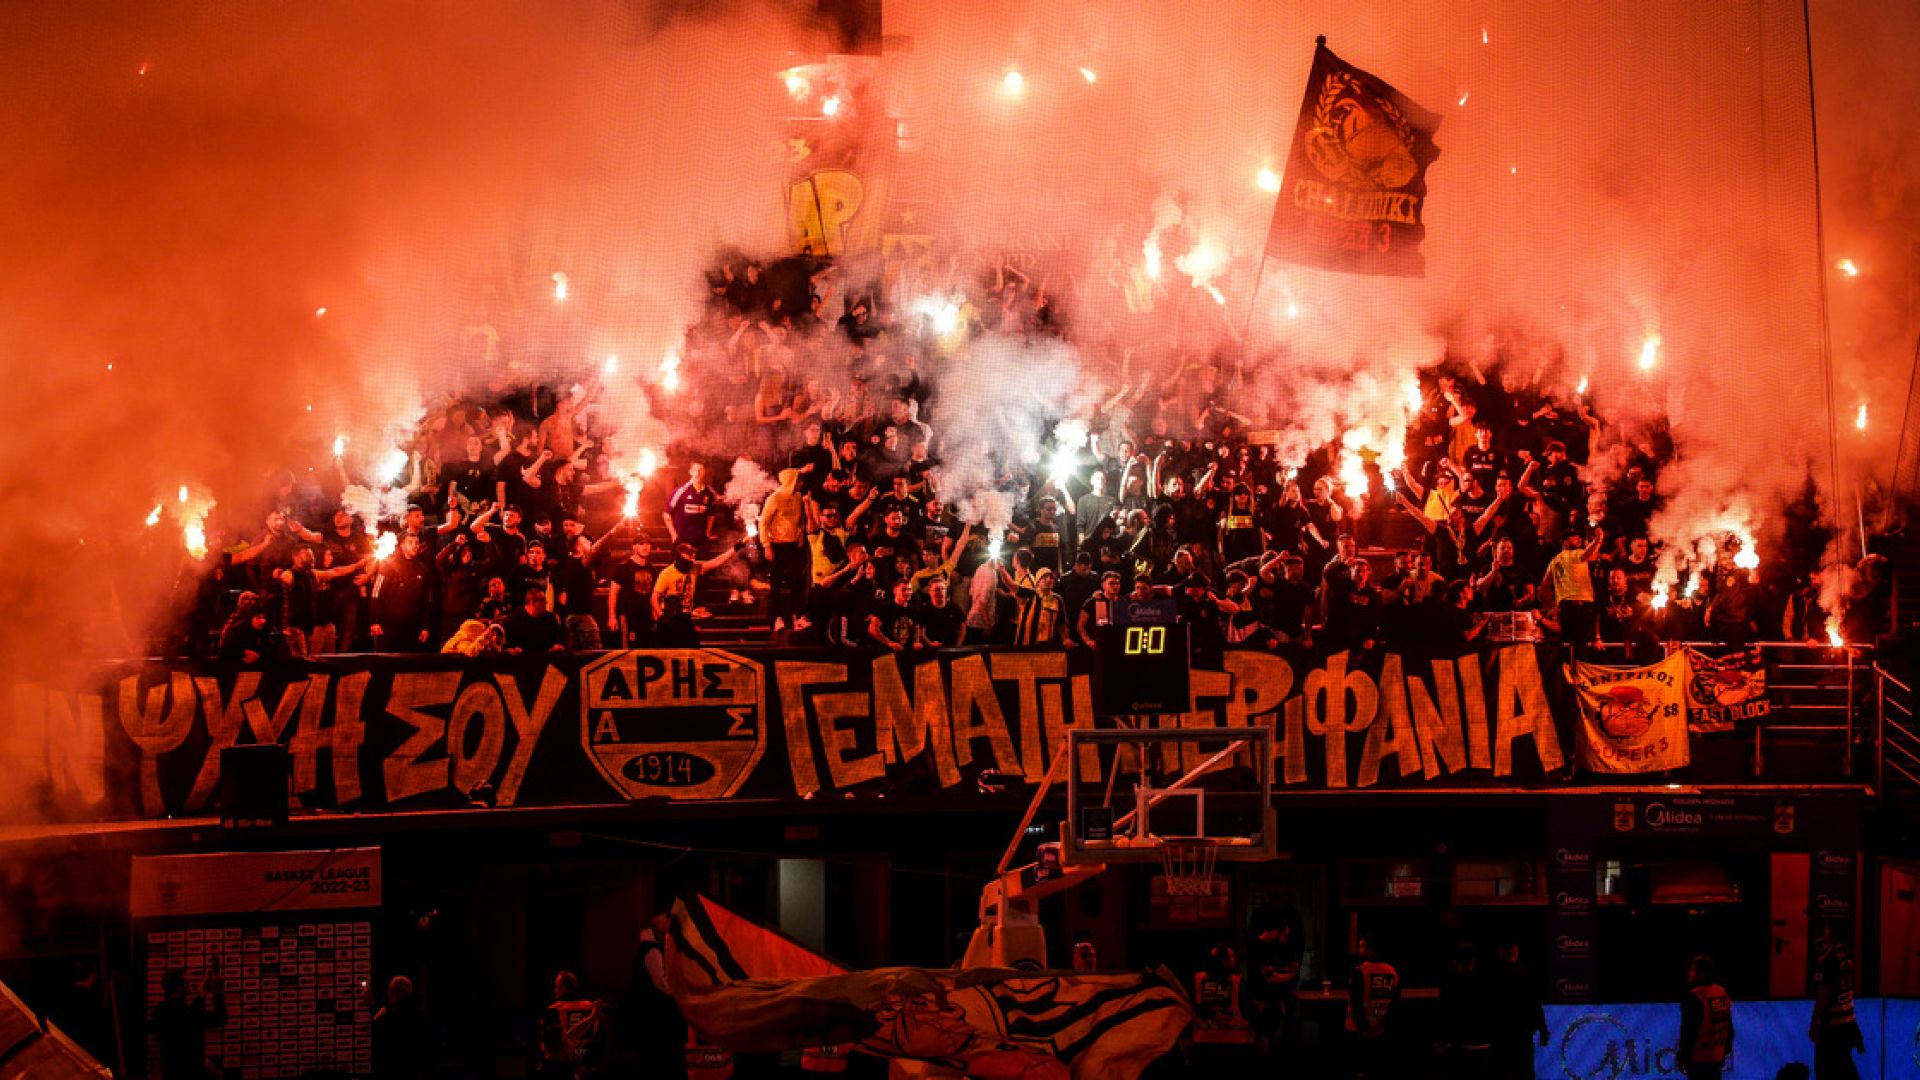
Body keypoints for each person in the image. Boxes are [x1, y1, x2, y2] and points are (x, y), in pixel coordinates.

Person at [630, 913, 689, 1080]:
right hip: (655, 1013)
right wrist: (679, 994)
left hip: (651, 1013)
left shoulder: (650, 948)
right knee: (662, 1056)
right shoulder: (652, 950)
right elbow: (661, 983)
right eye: (666, 928)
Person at [1486, 941, 1548, 1080]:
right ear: (1516, 952)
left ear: (1500, 953)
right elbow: (1535, 1005)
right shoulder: (1525, 976)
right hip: (1522, 1035)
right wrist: (1543, 1030)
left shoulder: (1491, 977)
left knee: (1499, 1072)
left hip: (1499, 1035)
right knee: (1524, 1072)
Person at [153, 963, 227, 1080]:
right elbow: (219, 1018)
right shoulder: (186, 1014)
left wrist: (203, 994)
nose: (189, 985)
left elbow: (187, 1014)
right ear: (179, 988)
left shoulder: (160, 1011)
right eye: (186, 983)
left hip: (170, 1072)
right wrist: (217, 993)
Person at [1245, 913, 1300, 1062]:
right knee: (1264, 1039)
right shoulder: (1258, 948)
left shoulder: (1267, 947)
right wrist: (1292, 974)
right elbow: (1270, 978)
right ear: (1276, 931)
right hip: (1261, 1000)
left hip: (1267, 1000)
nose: (1286, 939)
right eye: (1285, 935)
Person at [1809, 928, 1862, 1079]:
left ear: (1831, 933)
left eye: (1827, 929)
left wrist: (1814, 1022)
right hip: (1848, 1021)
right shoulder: (1846, 953)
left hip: (1831, 1024)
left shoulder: (1828, 959)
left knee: (1825, 1068)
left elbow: (1823, 994)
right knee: (1845, 1065)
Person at [1345, 937, 1400, 1080]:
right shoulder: (1392, 972)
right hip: (1381, 1028)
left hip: (1358, 1029)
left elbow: (1356, 1003)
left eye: (1364, 947)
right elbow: (1395, 1004)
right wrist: (1383, 1025)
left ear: (1371, 950)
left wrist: (1363, 1027)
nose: (1360, 950)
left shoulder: (1360, 971)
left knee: (1360, 1070)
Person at [538, 970, 603, 1080]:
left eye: (556, 987)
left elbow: (547, 1044)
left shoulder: (553, 1010)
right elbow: (600, 1040)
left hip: (560, 1069)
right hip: (587, 1068)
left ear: (564, 987)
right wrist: (585, 1064)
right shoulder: (592, 1008)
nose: (554, 990)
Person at [1678, 954, 1734, 1080]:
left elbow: (1689, 1030)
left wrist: (1683, 1055)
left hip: (1699, 1058)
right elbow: (1728, 1023)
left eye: (1693, 970)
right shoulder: (1721, 992)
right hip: (1717, 1055)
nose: (1689, 973)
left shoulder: (1694, 996)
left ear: (1702, 974)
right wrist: (1726, 1048)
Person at [371, 975, 429, 1080]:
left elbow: (390, 1033)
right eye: (389, 990)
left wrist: (373, 1007)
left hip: (401, 1067)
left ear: (404, 993)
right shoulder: (405, 1010)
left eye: (393, 990)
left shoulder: (406, 1013)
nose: (389, 993)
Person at [503, 587, 568, 655]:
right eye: (543, 600)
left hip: (549, 658)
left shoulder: (549, 618)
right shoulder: (514, 620)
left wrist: (558, 644)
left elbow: (559, 636)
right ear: (532, 602)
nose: (546, 602)